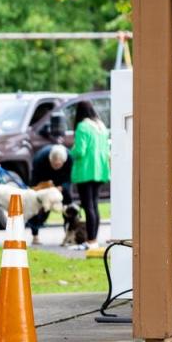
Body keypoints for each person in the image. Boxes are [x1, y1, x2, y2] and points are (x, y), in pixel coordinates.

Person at [70, 100, 110, 249]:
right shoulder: (101, 126)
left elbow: (80, 151)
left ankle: (91, 241)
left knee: (88, 206)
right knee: (94, 205)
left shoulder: (82, 126)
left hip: (86, 171)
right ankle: (94, 239)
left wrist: (70, 151)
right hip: (100, 170)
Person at [26, 144, 73, 245]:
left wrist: (62, 187)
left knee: (68, 205)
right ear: (50, 160)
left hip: (61, 181)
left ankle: (68, 234)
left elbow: (70, 178)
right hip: (44, 180)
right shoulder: (39, 160)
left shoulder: (69, 159)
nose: (56, 166)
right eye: (54, 164)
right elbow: (34, 182)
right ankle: (35, 235)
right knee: (36, 205)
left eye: (58, 164)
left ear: (63, 162)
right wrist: (44, 188)